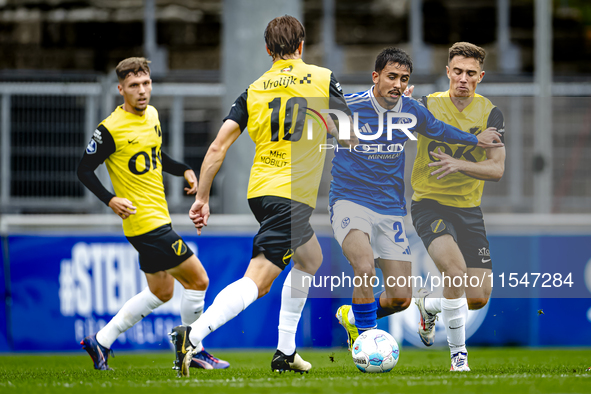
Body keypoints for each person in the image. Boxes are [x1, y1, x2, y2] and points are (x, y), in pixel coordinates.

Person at [169, 15, 355, 378]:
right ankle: (193, 335)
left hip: (261, 192)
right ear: (302, 45)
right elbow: (348, 137)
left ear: (268, 50)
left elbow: (217, 147)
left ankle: (285, 351)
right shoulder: (321, 78)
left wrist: (202, 198)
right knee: (259, 278)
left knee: (310, 258)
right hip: (291, 195)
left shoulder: (253, 89)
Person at [331, 48, 504, 355]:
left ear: (480, 77)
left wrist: (473, 143)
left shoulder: (419, 109)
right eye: (391, 77)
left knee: (403, 297)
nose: (397, 83)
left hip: (397, 207)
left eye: (403, 78)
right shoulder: (355, 106)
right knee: (366, 267)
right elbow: (319, 118)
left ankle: (361, 316)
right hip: (359, 201)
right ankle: (370, 343)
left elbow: (444, 132)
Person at [76, 57, 228, 371]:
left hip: (155, 220)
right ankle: (193, 349)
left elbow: (156, 156)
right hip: (146, 223)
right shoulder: (110, 129)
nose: (142, 91)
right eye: (134, 86)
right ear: (121, 89)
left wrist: (184, 169)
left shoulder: (153, 115)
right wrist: (110, 199)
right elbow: (84, 169)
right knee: (199, 281)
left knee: (161, 291)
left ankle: (101, 340)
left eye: (146, 83)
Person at [410, 42, 506, 371]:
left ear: (480, 76)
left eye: (470, 73)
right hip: (428, 204)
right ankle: (458, 358)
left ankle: (428, 305)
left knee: (477, 296)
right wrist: (397, 104)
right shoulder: (426, 105)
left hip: (468, 210)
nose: (463, 79)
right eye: (457, 72)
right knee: (454, 271)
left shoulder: (491, 114)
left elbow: (497, 170)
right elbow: (390, 124)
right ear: (448, 72)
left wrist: (458, 164)